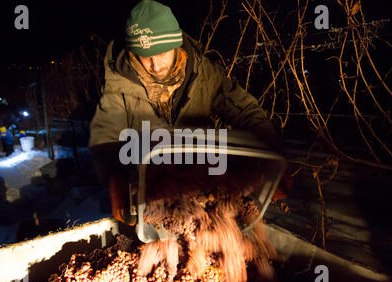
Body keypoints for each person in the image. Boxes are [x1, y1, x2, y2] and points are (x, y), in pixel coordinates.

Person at [89, 0, 283, 225]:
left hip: (203, 187)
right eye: (145, 56)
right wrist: (115, 176)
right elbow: (106, 134)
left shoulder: (204, 74)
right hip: (152, 193)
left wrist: (270, 156)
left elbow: (246, 110)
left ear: (176, 46)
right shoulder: (119, 85)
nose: (155, 65)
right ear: (134, 54)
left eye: (162, 53)